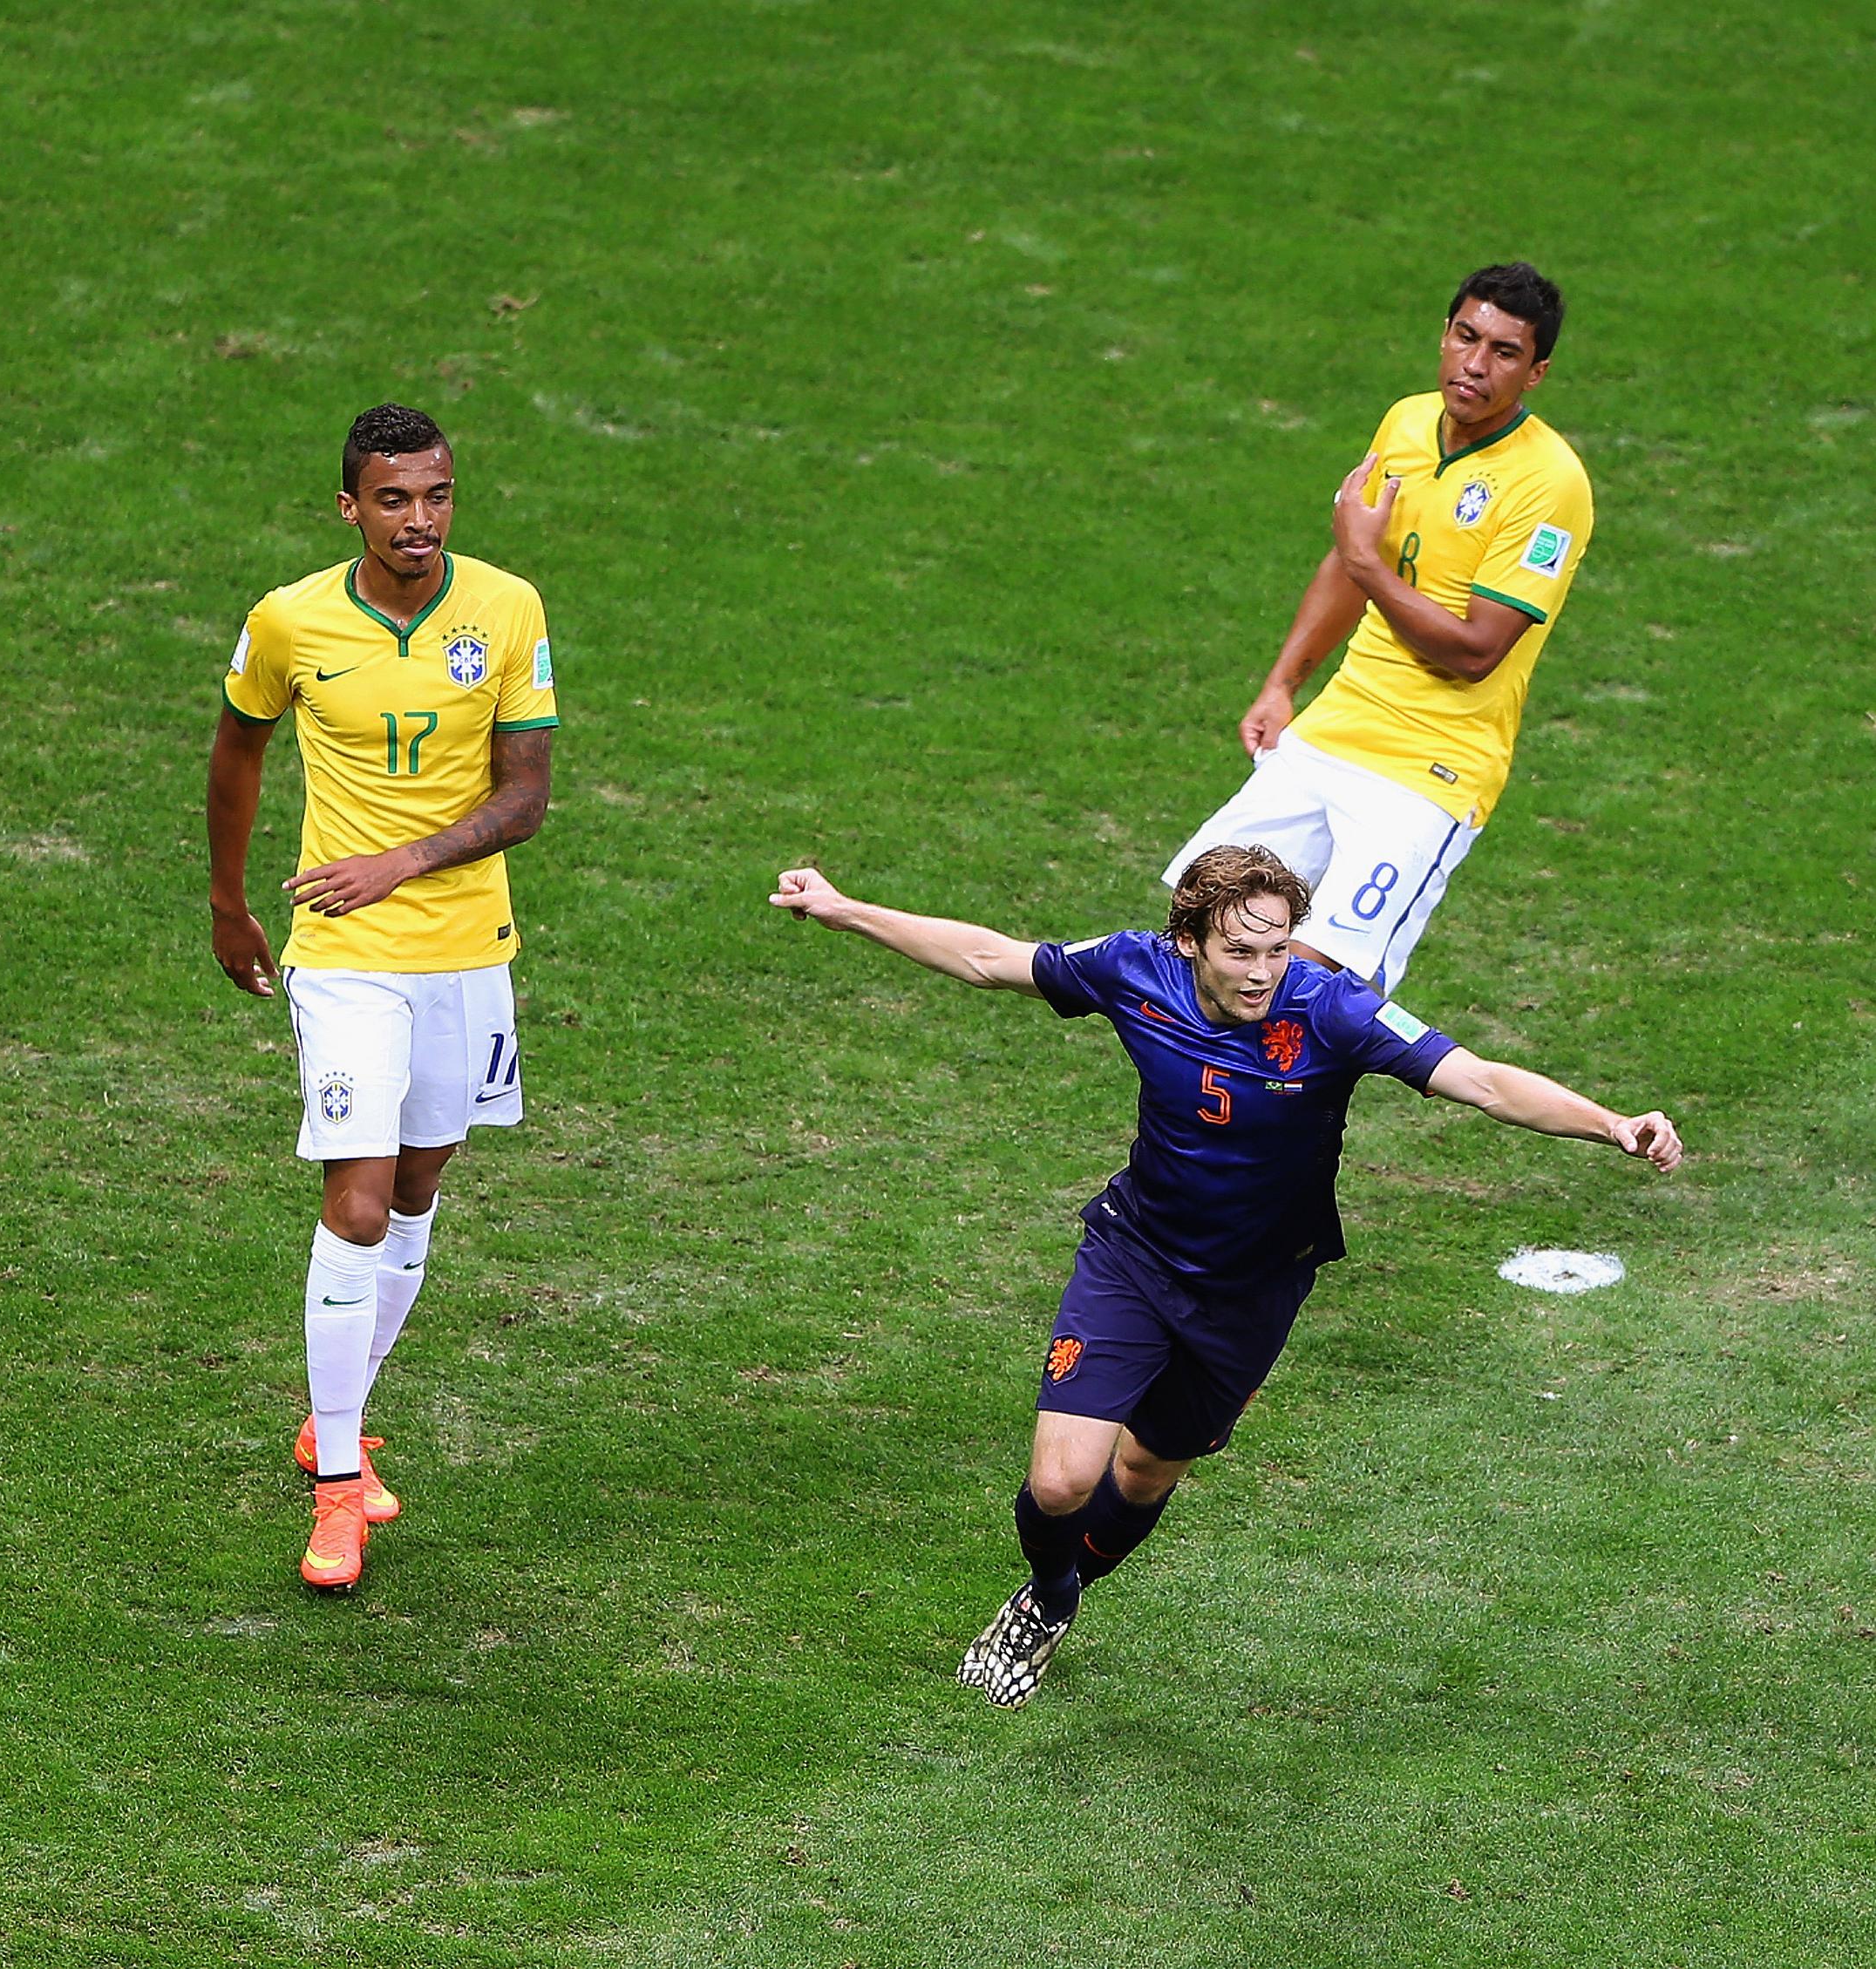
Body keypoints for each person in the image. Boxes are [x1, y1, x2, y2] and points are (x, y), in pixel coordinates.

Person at [770, 844, 1681, 1706]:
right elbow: (987, 958)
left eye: (1277, 948)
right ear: (1189, 942)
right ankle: (1047, 1598)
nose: (1261, 971)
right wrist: (841, 908)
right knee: (1058, 1483)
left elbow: (1480, 1081)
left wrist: (1610, 1124)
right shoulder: (1133, 969)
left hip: (1253, 1292)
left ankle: (1069, 1583)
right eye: (1240, 950)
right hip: (1133, 1256)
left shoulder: (1330, 1009)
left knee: (1144, 1471)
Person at [206, 403, 559, 1589]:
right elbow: (239, 747)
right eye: (395, 499)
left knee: (417, 1188)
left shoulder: (506, 608)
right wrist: (227, 898)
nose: (420, 520)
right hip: (343, 950)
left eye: (439, 495)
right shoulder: (290, 619)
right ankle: (339, 1484)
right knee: (355, 1201)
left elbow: (527, 797)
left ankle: (330, 1411)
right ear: (350, 508)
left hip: (464, 948)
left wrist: (403, 861)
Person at [1166, 263, 1592, 994]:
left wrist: (1368, 565)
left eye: (1505, 352)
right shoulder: (1405, 421)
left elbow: (1476, 650)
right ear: (1445, 335)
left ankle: (1282, 1105)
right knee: (1202, 927)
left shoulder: (1549, 485)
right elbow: (1347, 558)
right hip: (1337, 728)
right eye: (1467, 337)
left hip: (1430, 771)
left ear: (1536, 372)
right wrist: (1281, 683)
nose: (1476, 364)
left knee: (1313, 981)